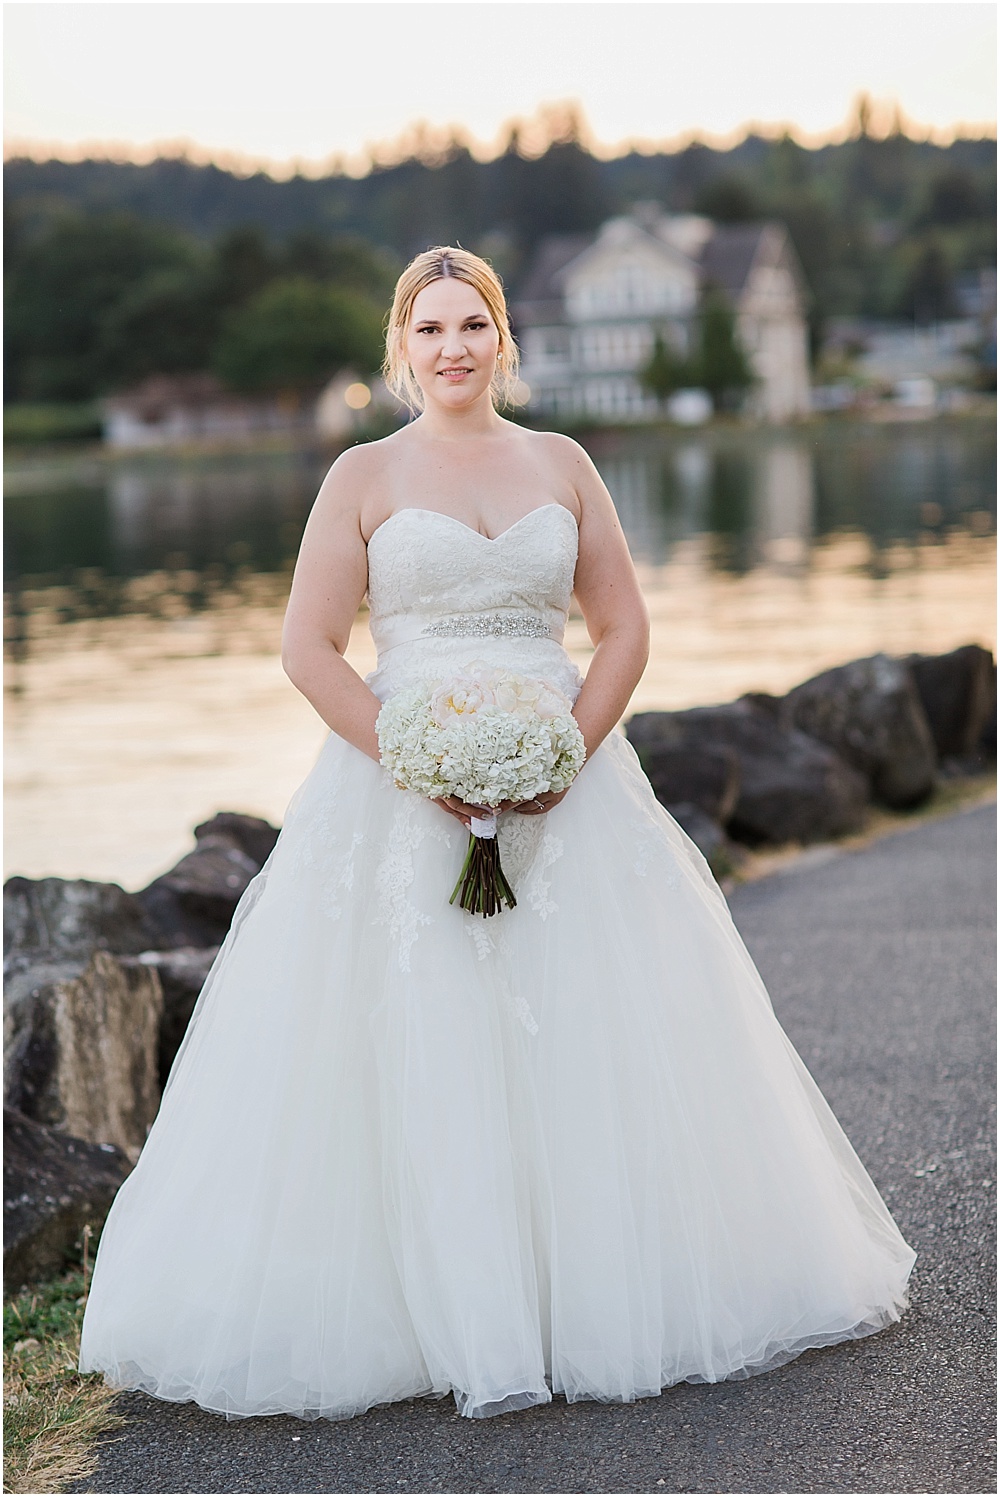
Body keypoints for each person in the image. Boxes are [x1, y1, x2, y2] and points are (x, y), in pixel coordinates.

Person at [80, 247, 915, 1422]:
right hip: (396, 785)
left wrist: (568, 747)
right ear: (400, 348)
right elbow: (309, 649)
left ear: (504, 338)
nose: (453, 348)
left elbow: (620, 629)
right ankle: (433, 1309)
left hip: (564, 780)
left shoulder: (562, 464)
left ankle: (599, 1286)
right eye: (429, 331)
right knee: (417, 1034)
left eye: (473, 325)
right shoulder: (361, 476)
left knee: (589, 1026)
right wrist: (411, 761)